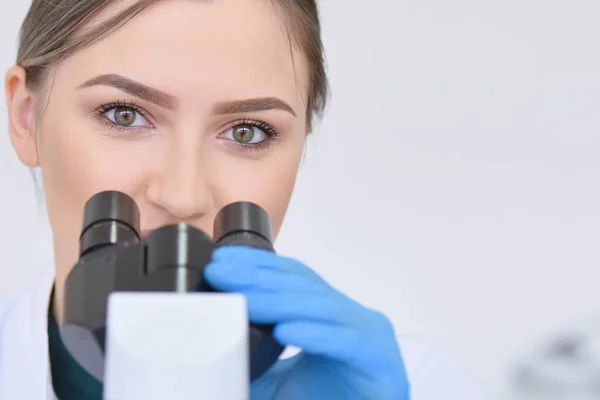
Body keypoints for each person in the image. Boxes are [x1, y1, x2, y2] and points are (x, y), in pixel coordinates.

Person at [0, 0, 483, 399]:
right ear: (25, 117)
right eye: (124, 115)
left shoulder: (422, 384)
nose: (183, 196)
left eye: (247, 132)